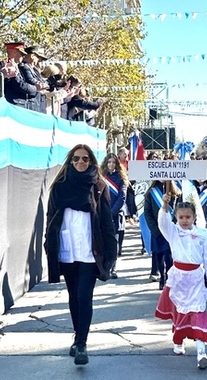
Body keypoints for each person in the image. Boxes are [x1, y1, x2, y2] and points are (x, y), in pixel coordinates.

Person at [44, 144, 116, 366]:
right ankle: (77, 336)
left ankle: (82, 343)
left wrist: (111, 253)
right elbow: (51, 217)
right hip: (67, 249)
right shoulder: (59, 186)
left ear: (92, 161)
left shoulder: (99, 186)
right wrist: (49, 244)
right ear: (70, 161)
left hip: (89, 250)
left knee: (85, 296)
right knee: (74, 296)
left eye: (85, 159)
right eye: (76, 159)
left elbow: (106, 221)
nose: (80, 162)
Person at [154, 195, 207, 370]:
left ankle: (201, 351)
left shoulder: (202, 234)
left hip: (196, 278)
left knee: (198, 311)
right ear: (176, 217)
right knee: (180, 312)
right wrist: (165, 206)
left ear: (194, 217)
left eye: (188, 217)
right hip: (178, 279)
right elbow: (163, 223)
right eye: (181, 217)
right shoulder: (173, 232)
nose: (184, 220)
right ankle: (178, 339)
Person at [145, 180, 181, 289]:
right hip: (157, 231)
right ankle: (162, 277)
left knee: (169, 256)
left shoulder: (175, 192)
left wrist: (172, 225)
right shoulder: (151, 192)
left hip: (170, 229)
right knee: (158, 255)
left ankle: (169, 277)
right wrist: (155, 229)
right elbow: (147, 212)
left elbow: (178, 210)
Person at [100, 152, 128, 278]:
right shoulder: (101, 177)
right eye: (109, 162)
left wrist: (112, 212)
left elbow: (122, 197)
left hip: (116, 214)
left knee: (114, 241)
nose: (111, 164)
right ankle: (104, 266)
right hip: (102, 213)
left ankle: (113, 268)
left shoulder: (121, 178)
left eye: (113, 162)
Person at [3, 41, 38, 108]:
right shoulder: (7, 65)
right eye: (22, 54)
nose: (23, 57)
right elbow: (19, 85)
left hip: (20, 103)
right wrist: (35, 88)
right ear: (14, 53)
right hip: (13, 102)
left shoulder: (18, 66)